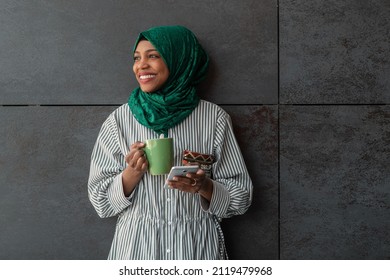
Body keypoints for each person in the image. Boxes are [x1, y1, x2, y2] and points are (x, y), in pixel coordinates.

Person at [88, 25, 253, 260]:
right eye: (137, 58)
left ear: (179, 59)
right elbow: (101, 203)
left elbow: (242, 198)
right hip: (136, 251)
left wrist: (204, 187)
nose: (141, 65)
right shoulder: (118, 122)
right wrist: (131, 174)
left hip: (197, 250)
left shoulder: (214, 119)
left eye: (153, 56)